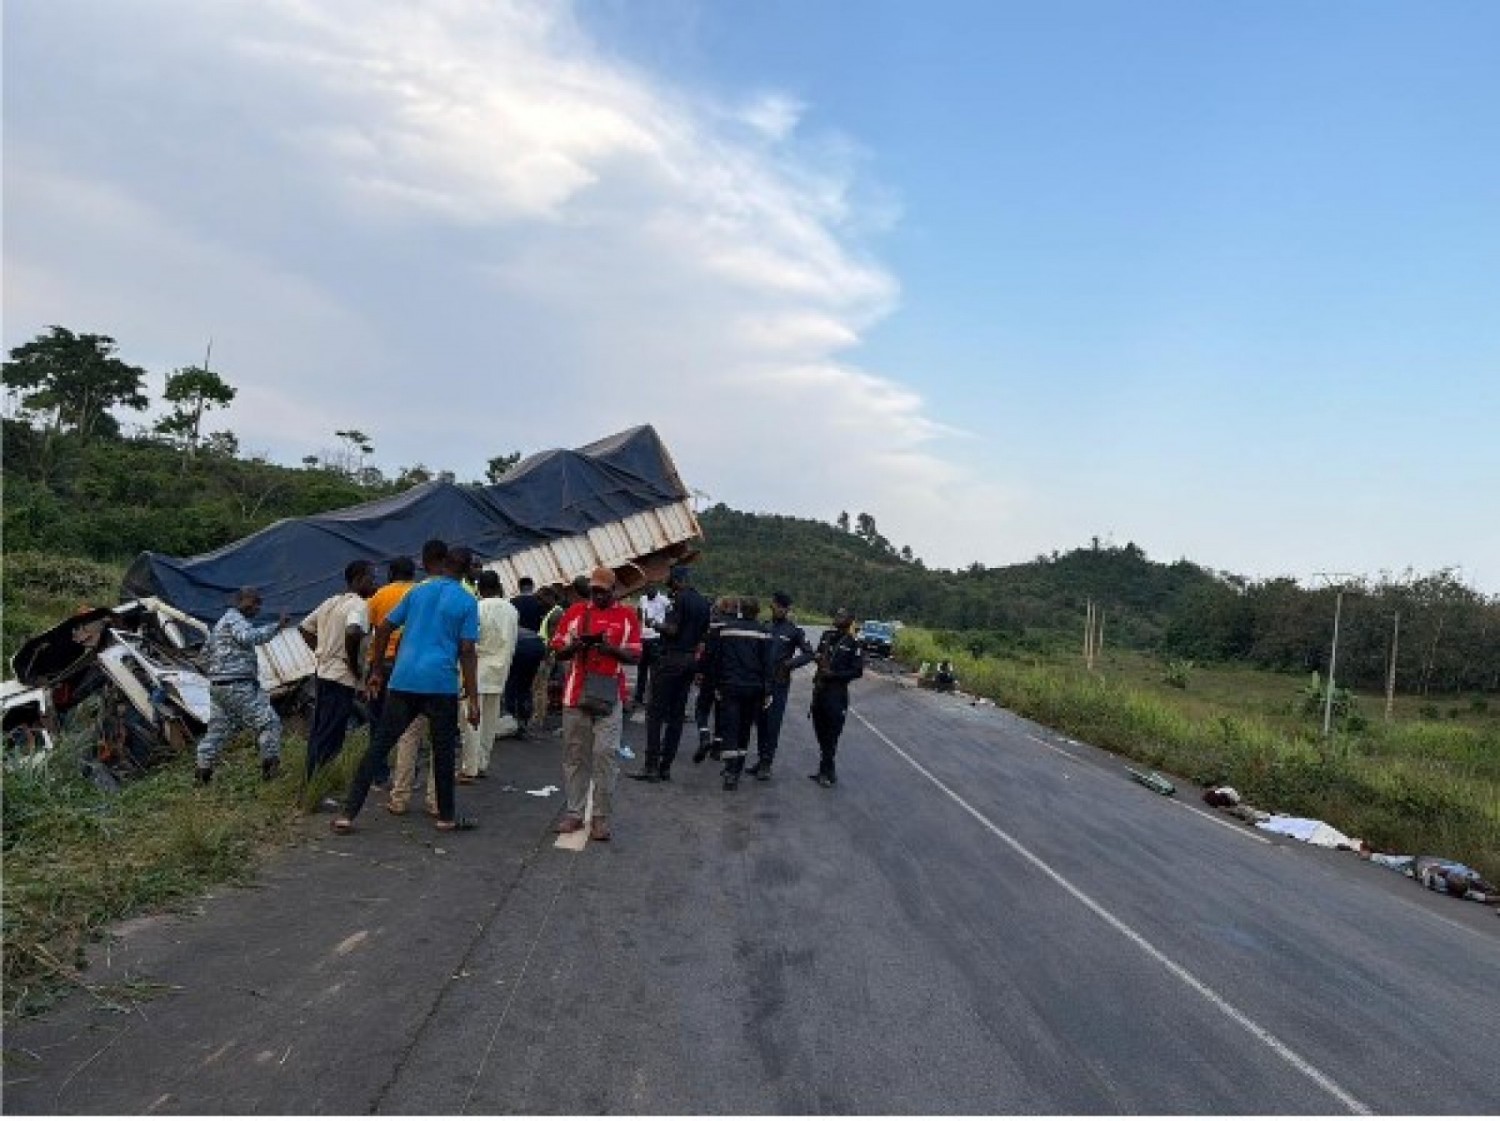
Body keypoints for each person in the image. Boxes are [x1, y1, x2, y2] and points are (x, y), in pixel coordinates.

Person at [334, 540, 481, 834]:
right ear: (466, 572)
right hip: (440, 683)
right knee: (443, 751)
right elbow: (467, 650)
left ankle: (347, 815)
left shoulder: (417, 592)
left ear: (444, 563)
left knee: (379, 746)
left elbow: (384, 628)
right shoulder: (467, 601)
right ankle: (446, 817)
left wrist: (376, 670)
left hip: (404, 680)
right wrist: (473, 697)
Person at [549, 565, 641, 841]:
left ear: (614, 590)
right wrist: (577, 646)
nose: (598, 596)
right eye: (594, 591)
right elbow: (558, 651)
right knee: (575, 756)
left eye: (603, 592)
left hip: (609, 696)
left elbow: (635, 656)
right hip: (575, 695)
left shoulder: (627, 616)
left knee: (605, 754)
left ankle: (600, 817)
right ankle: (575, 813)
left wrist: (609, 649)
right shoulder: (575, 613)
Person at [195, 587, 292, 784]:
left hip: (219, 687)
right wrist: (277, 626)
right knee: (269, 723)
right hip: (237, 685)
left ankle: (202, 773)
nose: (258, 607)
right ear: (240, 601)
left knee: (217, 731)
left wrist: (218, 673)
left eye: (259, 603)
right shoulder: (236, 619)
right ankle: (271, 770)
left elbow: (203, 658)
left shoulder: (220, 624)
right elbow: (247, 638)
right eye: (254, 602)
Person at [299, 559, 376, 786]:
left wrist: (322, 651)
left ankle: (311, 782)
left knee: (320, 731)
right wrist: (353, 665)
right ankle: (317, 786)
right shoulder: (359, 605)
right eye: (371, 578)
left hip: (323, 673)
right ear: (358, 579)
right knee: (332, 735)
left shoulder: (331, 602)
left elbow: (304, 628)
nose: (374, 583)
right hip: (341, 677)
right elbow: (353, 632)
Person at [635, 565, 711, 783]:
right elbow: (704, 637)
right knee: (676, 715)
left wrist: (654, 623)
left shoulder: (679, 599)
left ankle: (651, 767)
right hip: (690, 661)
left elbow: (672, 630)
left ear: (678, 580)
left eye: (670, 579)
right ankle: (665, 767)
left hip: (671, 659)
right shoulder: (703, 603)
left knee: (655, 713)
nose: (668, 582)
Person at [701, 596, 774, 791]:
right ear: (757, 612)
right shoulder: (764, 633)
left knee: (730, 727)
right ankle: (737, 769)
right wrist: (767, 690)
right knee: (744, 728)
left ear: (740, 609)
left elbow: (718, 659)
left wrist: (717, 685)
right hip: (754, 688)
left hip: (730, 686)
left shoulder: (726, 630)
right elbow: (768, 664)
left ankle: (730, 772)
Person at [747, 591, 815, 781]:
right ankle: (761, 759)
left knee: (772, 724)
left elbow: (809, 653)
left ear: (786, 609)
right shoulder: (765, 626)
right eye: (776, 606)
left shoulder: (794, 631)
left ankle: (767, 764)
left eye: (782, 608)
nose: (778, 610)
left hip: (778, 683)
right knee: (760, 722)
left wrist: (789, 664)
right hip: (761, 682)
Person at [364, 555, 418, 787]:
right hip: (410, 664)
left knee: (378, 721)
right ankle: (407, 774)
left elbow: (368, 630)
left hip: (380, 664)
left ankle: (379, 774)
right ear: (413, 573)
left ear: (391, 574)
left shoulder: (379, 596)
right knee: (410, 723)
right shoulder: (420, 593)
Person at [461, 569, 518, 781]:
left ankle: (470, 767)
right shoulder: (512, 610)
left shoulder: (478, 608)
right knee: (489, 722)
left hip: (477, 670)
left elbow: (471, 642)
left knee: (471, 721)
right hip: (500, 671)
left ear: (479, 587)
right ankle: (483, 762)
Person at [804, 607, 864, 788]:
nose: (837, 617)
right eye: (836, 614)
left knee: (832, 734)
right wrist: (817, 658)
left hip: (836, 693)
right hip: (820, 690)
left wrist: (835, 675)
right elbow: (819, 653)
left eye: (841, 616)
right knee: (820, 730)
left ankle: (826, 772)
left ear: (850, 620)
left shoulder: (853, 643)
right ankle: (828, 770)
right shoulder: (827, 635)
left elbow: (857, 671)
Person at [505, 577, 549, 739]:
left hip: (516, 645)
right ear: (532, 586)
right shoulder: (538, 604)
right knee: (526, 686)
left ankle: (511, 720)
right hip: (535, 646)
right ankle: (524, 720)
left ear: (519, 587)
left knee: (512, 683)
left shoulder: (513, 603)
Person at [633, 582, 669, 709]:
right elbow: (639, 614)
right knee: (641, 670)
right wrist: (639, 628)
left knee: (655, 671)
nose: (647, 592)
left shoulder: (664, 600)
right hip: (643, 639)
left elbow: (671, 615)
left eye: (649, 590)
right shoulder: (642, 599)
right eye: (645, 590)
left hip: (657, 639)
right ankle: (638, 698)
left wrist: (663, 628)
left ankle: (653, 700)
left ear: (655, 589)